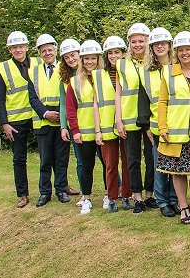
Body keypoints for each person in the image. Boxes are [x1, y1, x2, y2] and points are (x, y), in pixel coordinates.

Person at [156, 31, 190, 224]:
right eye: (180, 50)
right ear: (176, 52)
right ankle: (183, 206)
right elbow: (162, 102)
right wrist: (162, 127)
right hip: (175, 131)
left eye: (188, 49)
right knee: (177, 171)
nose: (184, 53)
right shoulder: (168, 72)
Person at [0, 31, 51, 208]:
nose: (18, 50)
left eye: (21, 46)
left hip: (37, 115)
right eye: (14, 47)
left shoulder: (38, 62)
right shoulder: (4, 69)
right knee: (19, 158)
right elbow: (0, 98)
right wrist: (5, 123)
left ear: (27, 47)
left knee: (49, 154)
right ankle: (23, 194)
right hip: (16, 120)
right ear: (10, 50)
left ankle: (58, 187)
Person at [116, 23, 156, 214]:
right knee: (132, 159)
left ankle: (149, 195)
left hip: (150, 118)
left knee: (151, 157)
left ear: (147, 42)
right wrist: (118, 119)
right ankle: (137, 197)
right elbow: (119, 93)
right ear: (129, 43)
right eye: (134, 41)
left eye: (141, 41)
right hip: (129, 116)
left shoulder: (153, 62)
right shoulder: (121, 63)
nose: (138, 45)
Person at [140, 27, 180, 217]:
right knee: (160, 164)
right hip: (156, 125)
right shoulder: (145, 71)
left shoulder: (179, 66)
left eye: (163, 43)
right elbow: (144, 101)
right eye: (156, 44)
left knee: (176, 164)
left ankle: (175, 199)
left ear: (170, 45)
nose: (160, 47)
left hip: (177, 123)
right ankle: (162, 200)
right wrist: (147, 125)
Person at [29, 34, 71, 206]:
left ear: (55, 50)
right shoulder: (33, 71)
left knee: (61, 158)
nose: (47, 53)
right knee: (45, 159)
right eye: (43, 51)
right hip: (43, 122)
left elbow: (68, 94)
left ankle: (61, 189)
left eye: (50, 49)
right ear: (39, 53)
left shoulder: (64, 68)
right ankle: (44, 192)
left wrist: (60, 117)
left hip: (61, 122)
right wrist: (46, 114)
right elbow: (32, 97)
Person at [66, 40, 105, 215]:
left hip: (104, 130)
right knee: (86, 166)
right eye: (86, 59)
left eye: (93, 58)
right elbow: (70, 108)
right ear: (82, 60)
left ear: (98, 59)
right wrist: (74, 130)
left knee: (108, 164)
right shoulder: (74, 82)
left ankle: (108, 194)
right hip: (84, 131)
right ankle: (86, 198)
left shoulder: (105, 77)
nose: (90, 62)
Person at [96, 36, 133, 213]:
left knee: (127, 162)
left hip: (126, 123)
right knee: (110, 165)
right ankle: (111, 197)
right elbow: (96, 104)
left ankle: (127, 195)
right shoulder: (99, 75)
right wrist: (97, 130)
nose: (113, 56)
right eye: (110, 53)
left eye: (117, 52)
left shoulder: (129, 71)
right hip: (106, 126)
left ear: (124, 53)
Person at [57, 39, 83, 197]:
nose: (71, 59)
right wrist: (63, 126)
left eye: (72, 55)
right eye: (66, 57)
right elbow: (63, 105)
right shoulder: (65, 79)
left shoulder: (91, 72)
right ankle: (85, 193)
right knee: (81, 161)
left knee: (105, 159)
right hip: (75, 125)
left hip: (95, 123)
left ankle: (116, 188)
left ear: (79, 54)